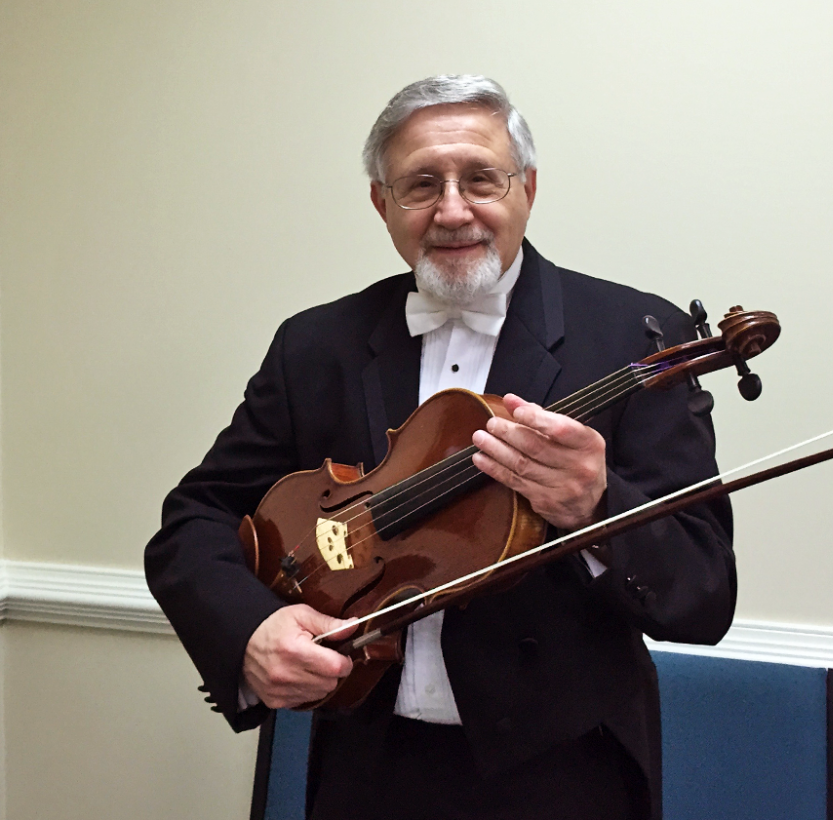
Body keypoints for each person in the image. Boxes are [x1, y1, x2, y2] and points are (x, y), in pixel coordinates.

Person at [145, 75, 736, 820]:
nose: (453, 210)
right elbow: (193, 521)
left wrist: (597, 502)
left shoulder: (636, 337)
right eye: (422, 184)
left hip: (567, 778)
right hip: (367, 771)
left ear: (527, 187)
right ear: (381, 203)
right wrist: (250, 633)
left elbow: (706, 590)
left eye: (480, 179)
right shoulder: (315, 345)